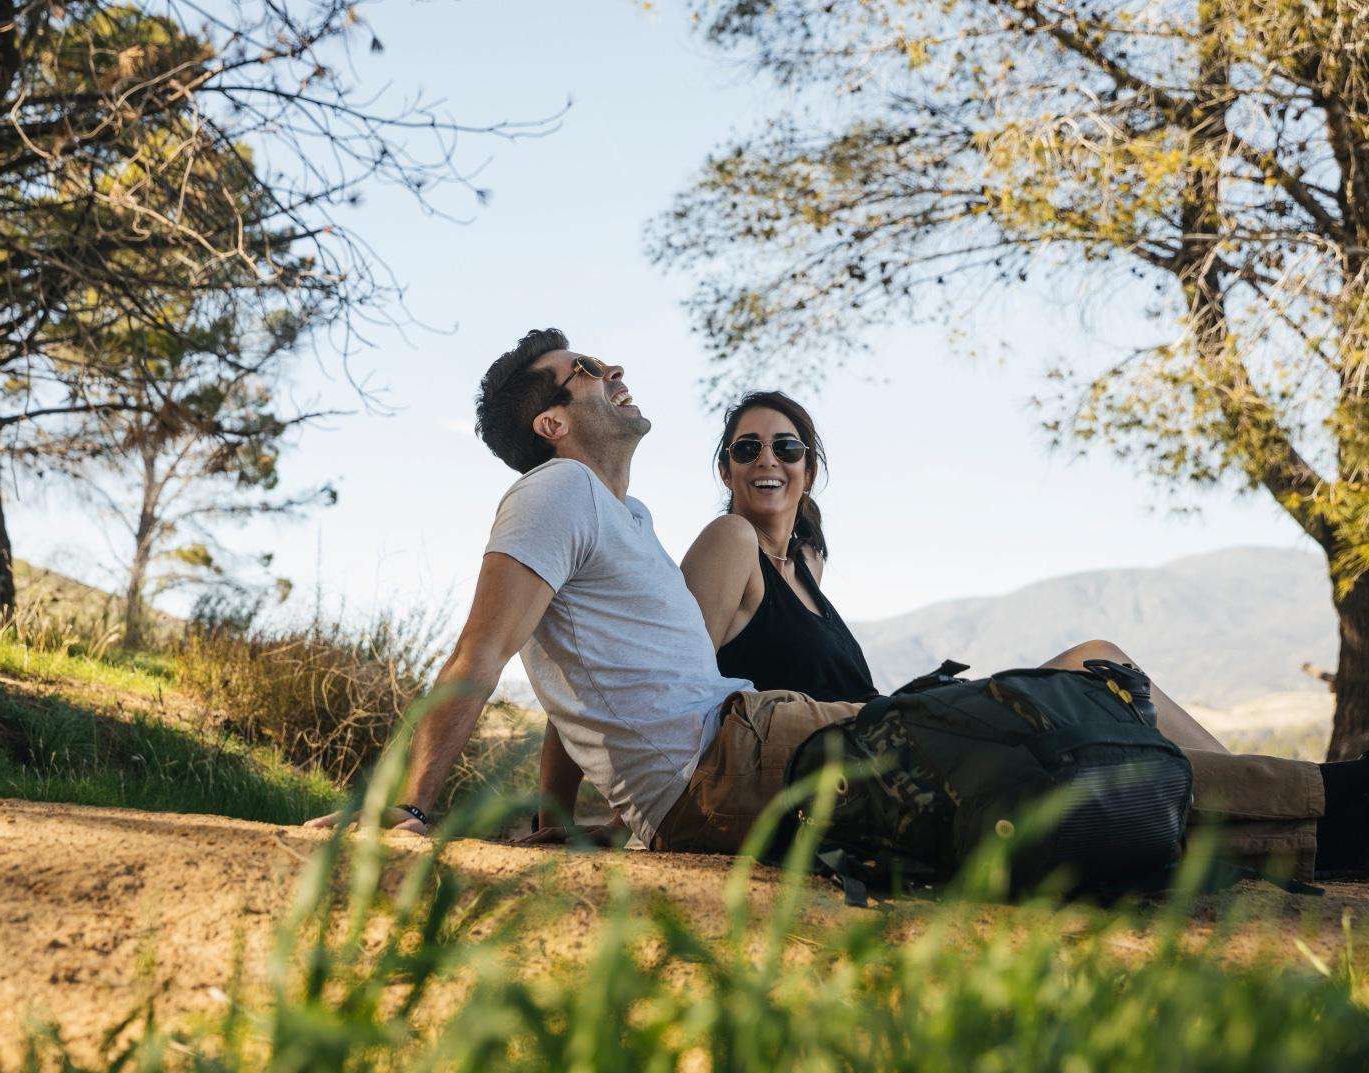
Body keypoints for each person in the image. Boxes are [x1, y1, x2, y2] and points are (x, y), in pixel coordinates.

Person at [307, 329, 1369, 880]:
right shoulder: (556, 491)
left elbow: (573, 686)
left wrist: (560, 822)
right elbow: (481, 654)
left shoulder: (614, 520)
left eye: (788, 448)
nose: (612, 370)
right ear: (552, 421)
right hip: (739, 756)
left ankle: (1333, 821)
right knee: (1045, 750)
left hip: (749, 752)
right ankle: (1343, 815)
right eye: (584, 369)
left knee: (1050, 748)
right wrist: (405, 812)